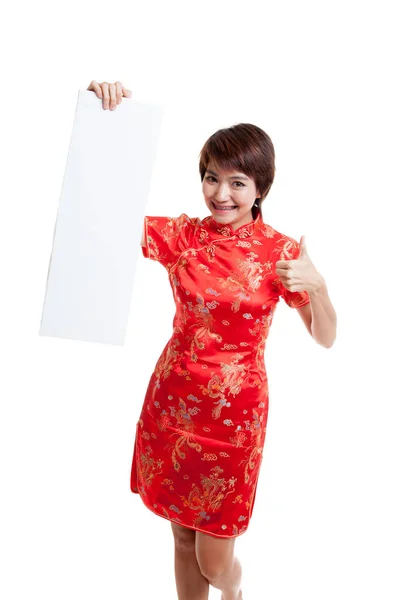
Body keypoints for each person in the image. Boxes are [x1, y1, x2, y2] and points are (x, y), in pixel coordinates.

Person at [87, 80, 337, 600]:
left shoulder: (281, 252)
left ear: (261, 188)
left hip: (235, 417)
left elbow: (325, 337)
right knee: (181, 537)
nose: (221, 194)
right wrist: (106, 124)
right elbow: (101, 217)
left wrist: (318, 286)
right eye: (211, 178)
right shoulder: (183, 235)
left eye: (238, 182)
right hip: (173, 402)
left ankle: (234, 591)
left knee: (215, 557)